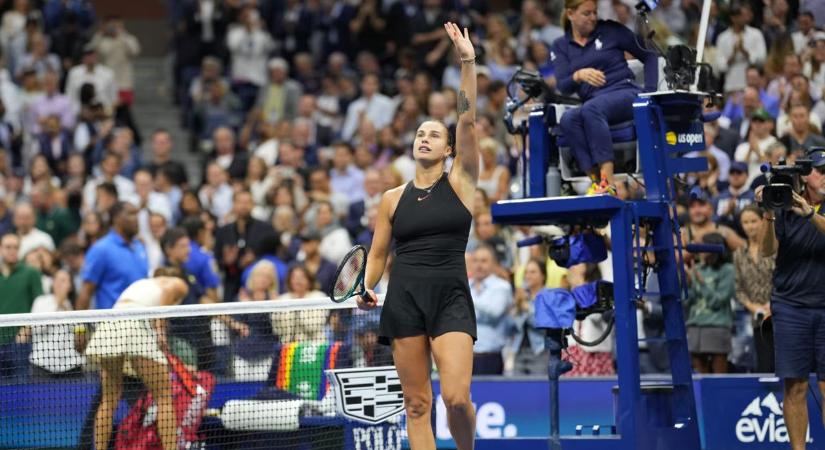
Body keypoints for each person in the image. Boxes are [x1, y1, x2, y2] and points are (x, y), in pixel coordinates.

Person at [357, 22, 478, 450]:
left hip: (450, 296)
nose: (425, 138)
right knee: (416, 405)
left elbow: (467, 118)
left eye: (434, 135)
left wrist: (467, 63)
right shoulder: (391, 198)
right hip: (403, 297)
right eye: (420, 133)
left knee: (457, 399)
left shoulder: (461, 180)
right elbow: (376, 255)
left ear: (448, 150)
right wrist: (367, 286)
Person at [756, 148, 825, 449]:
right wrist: (769, 211)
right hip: (790, 306)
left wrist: (809, 213)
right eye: (821, 170)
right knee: (795, 387)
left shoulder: (807, 209)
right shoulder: (783, 204)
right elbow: (766, 250)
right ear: (806, 174)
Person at [552, 0, 658, 194]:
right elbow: (563, 86)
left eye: (594, 12)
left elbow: (650, 55)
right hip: (593, 102)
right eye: (586, 13)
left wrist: (649, 94)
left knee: (591, 109)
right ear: (570, 14)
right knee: (568, 119)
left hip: (625, 92)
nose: (593, 18)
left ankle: (608, 180)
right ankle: (595, 180)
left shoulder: (611, 30)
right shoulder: (561, 46)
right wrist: (578, 75)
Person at [84, 270, 189, 450]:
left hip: (110, 324)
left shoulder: (141, 283)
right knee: (164, 396)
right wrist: (160, 333)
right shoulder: (179, 283)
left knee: (109, 399)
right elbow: (166, 296)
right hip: (135, 325)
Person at [76, 201, 148, 311]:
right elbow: (86, 291)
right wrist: (80, 326)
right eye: (131, 214)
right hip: (113, 323)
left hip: (142, 320)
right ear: (116, 218)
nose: (136, 219)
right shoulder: (101, 249)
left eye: (137, 214)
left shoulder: (140, 246)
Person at [733, 204, 776, 373]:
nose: (750, 226)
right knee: (764, 366)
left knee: (782, 364)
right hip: (757, 319)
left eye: (753, 221)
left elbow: (782, 280)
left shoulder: (774, 248)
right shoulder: (738, 253)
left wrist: (771, 305)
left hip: (780, 313)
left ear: (762, 221)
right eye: (745, 222)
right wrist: (755, 308)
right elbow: (739, 289)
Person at [685, 232, 735, 374]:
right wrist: (688, 284)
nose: (700, 251)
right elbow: (687, 301)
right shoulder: (698, 269)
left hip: (717, 327)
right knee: (700, 375)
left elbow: (718, 301)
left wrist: (702, 284)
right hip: (695, 326)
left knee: (719, 375)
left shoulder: (727, 270)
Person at [0, 232, 42, 379]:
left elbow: (39, 305)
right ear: (1, 249)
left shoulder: (31, 273)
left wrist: (27, 329)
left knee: (20, 389)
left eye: (15, 247)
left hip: (19, 343)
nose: (12, 250)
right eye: (8, 247)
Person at [509, 258, 550, 375]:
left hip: (540, 350)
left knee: (537, 389)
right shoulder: (522, 296)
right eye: (526, 272)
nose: (528, 276)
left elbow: (544, 325)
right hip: (519, 349)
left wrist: (528, 308)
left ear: (543, 275)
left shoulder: (548, 297)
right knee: (517, 389)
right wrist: (516, 308)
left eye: (533, 272)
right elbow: (513, 327)